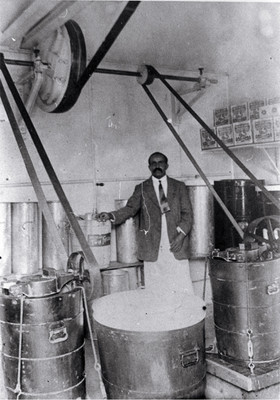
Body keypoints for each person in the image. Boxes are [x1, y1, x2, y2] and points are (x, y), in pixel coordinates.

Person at [97, 152, 194, 294]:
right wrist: (111, 215)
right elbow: (130, 209)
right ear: (149, 167)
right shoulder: (142, 188)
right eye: (153, 163)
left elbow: (188, 215)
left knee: (181, 285)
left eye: (160, 162)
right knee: (156, 288)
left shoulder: (179, 186)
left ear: (166, 165)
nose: (157, 166)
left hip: (176, 242)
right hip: (152, 245)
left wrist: (180, 236)